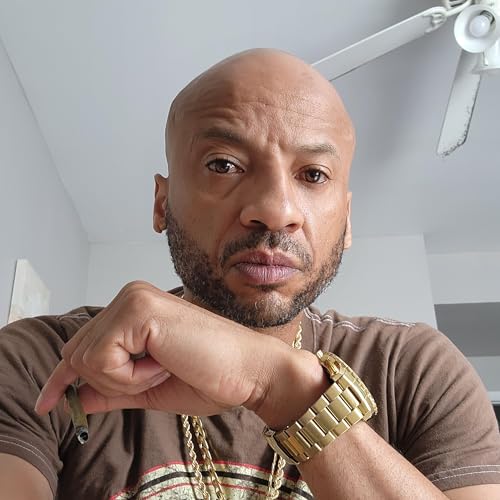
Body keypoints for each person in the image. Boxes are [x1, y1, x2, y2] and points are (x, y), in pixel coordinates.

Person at [0, 48, 499, 500]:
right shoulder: (44, 363)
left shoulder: (413, 371)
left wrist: (280, 387)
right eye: (224, 165)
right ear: (161, 204)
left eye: (313, 175)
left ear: (347, 222)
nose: (276, 210)